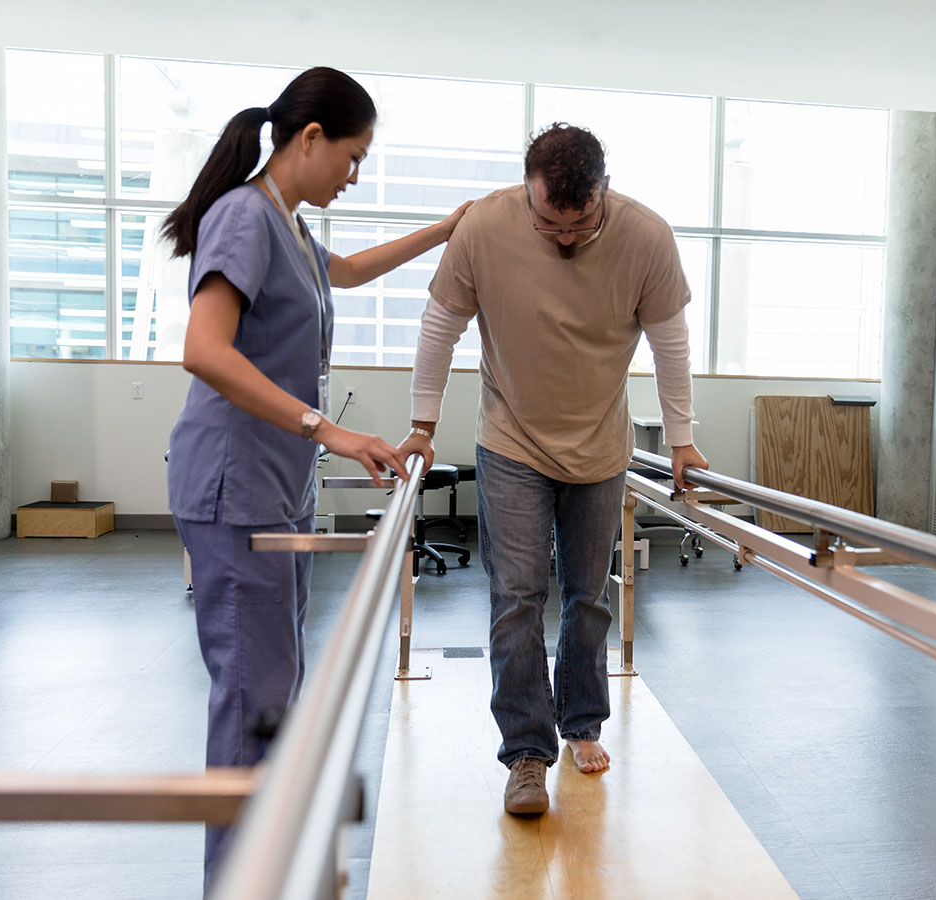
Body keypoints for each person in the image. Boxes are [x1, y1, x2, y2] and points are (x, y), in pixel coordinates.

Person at [161, 66, 468, 888]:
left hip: (271, 486)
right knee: (251, 695)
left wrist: (446, 231)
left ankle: (269, 859)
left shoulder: (288, 227)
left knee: (278, 679)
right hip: (234, 488)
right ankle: (238, 879)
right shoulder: (244, 217)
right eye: (354, 155)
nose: (355, 173)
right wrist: (328, 429)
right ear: (309, 139)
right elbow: (205, 349)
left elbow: (355, 272)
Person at [399, 122, 707, 816]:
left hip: (600, 446)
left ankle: (581, 723)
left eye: (580, 225)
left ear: (604, 192)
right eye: (548, 224)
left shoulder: (647, 236)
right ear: (528, 193)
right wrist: (421, 425)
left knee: (588, 594)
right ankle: (527, 753)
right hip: (511, 440)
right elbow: (440, 325)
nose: (564, 238)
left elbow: (671, 342)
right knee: (516, 593)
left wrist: (682, 439)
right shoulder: (484, 227)